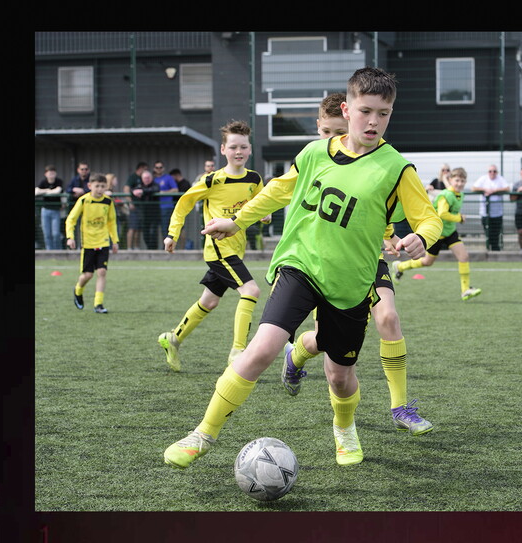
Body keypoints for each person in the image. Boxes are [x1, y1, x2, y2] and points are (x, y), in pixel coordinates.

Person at [163, 67, 442, 470]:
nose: (373, 121)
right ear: (346, 110)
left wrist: (422, 237)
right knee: (262, 348)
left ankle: (344, 428)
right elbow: (278, 190)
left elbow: (429, 219)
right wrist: (237, 221)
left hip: (351, 284)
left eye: (383, 113)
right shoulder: (314, 153)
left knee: (339, 377)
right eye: (365, 111)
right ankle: (202, 434)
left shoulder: (397, 168)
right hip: (300, 265)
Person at [282, 92, 434, 436]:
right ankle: (297, 355)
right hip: (324, 264)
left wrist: (398, 236)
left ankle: (400, 407)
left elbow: (379, 208)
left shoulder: (382, 160)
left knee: (389, 318)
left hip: (368, 259)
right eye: (326, 133)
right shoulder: (315, 159)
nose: (333, 140)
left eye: (338, 132)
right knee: (325, 341)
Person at [157, 121, 267, 372]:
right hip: (218, 249)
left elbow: (262, 203)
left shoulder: (254, 179)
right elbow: (184, 203)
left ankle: (173, 338)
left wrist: (265, 215)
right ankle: (238, 352)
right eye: (233, 147)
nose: (238, 152)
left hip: (237, 249)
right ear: (223, 149)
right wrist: (172, 234)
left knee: (209, 301)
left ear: (250, 149)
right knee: (251, 291)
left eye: (243, 147)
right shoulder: (212, 180)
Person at [392, 166, 483, 300]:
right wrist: (459, 218)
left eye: (463, 181)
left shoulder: (460, 194)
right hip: (436, 234)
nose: (460, 183)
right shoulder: (446, 195)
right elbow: (442, 213)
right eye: (457, 180)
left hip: (450, 232)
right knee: (427, 262)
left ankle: (465, 290)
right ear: (450, 180)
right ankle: (400, 266)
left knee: (464, 257)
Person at [65, 172, 119, 314]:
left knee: (102, 271)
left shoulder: (108, 202)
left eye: (103, 186)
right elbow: (71, 219)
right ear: (90, 186)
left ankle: (98, 304)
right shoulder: (84, 201)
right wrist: (70, 237)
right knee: (88, 275)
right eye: (97, 186)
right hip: (88, 243)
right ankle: (78, 290)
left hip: (103, 241)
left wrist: (115, 240)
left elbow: (112, 222)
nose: (100, 189)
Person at [471, 164, 510, 250]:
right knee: (488, 233)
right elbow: (473, 188)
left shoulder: (500, 179)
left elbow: (507, 188)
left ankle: (494, 250)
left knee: (495, 234)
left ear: (497, 172)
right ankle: (491, 249)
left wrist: (494, 190)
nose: (492, 173)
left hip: (497, 213)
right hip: (485, 213)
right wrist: (485, 189)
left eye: (494, 171)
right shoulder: (483, 178)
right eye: (490, 171)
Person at [35, 164, 64, 250]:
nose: (51, 175)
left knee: (56, 234)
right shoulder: (43, 182)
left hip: (56, 210)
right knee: (47, 234)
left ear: (55, 174)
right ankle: (49, 252)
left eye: (53, 173)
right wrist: (47, 190)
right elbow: (36, 191)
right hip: (45, 210)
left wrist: (45, 192)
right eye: (49, 173)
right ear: (46, 174)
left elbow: (58, 190)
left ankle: (58, 251)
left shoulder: (59, 181)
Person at [123, 162, 148, 250]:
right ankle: (129, 247)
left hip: (141, 207)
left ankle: (136, 246)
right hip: (134, 207)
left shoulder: (143, 178)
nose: (146, 171)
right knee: (132, 227)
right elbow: (126, 189)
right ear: (140, 168)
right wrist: (130, 202)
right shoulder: (133, 177)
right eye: (145, 169)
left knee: (138, 228)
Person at [136, 169, 161, 250]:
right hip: (144, 214)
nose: (146, 179)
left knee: (153, 233)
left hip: (154, 214)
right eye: (145, 178)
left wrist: (142, 191)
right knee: (145, 233)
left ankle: (154, 249)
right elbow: (133, 190)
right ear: (142, 179)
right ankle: (149, 248)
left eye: (148, 178)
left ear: (151, 178)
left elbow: (155, 190)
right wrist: (136, 192)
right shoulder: (139, 185)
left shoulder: (155, 185)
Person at [152, 161, 178, 235]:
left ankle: (166, 242)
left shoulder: (168, 178)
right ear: (154, 169)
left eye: (160, 167)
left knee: (165, 228)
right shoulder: (153, 179)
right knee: (155, 229)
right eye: (157, 167)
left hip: (166, 207)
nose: (159, 169)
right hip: (155, 208)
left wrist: (164, 192)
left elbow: (175, 190)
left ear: (163, 168)